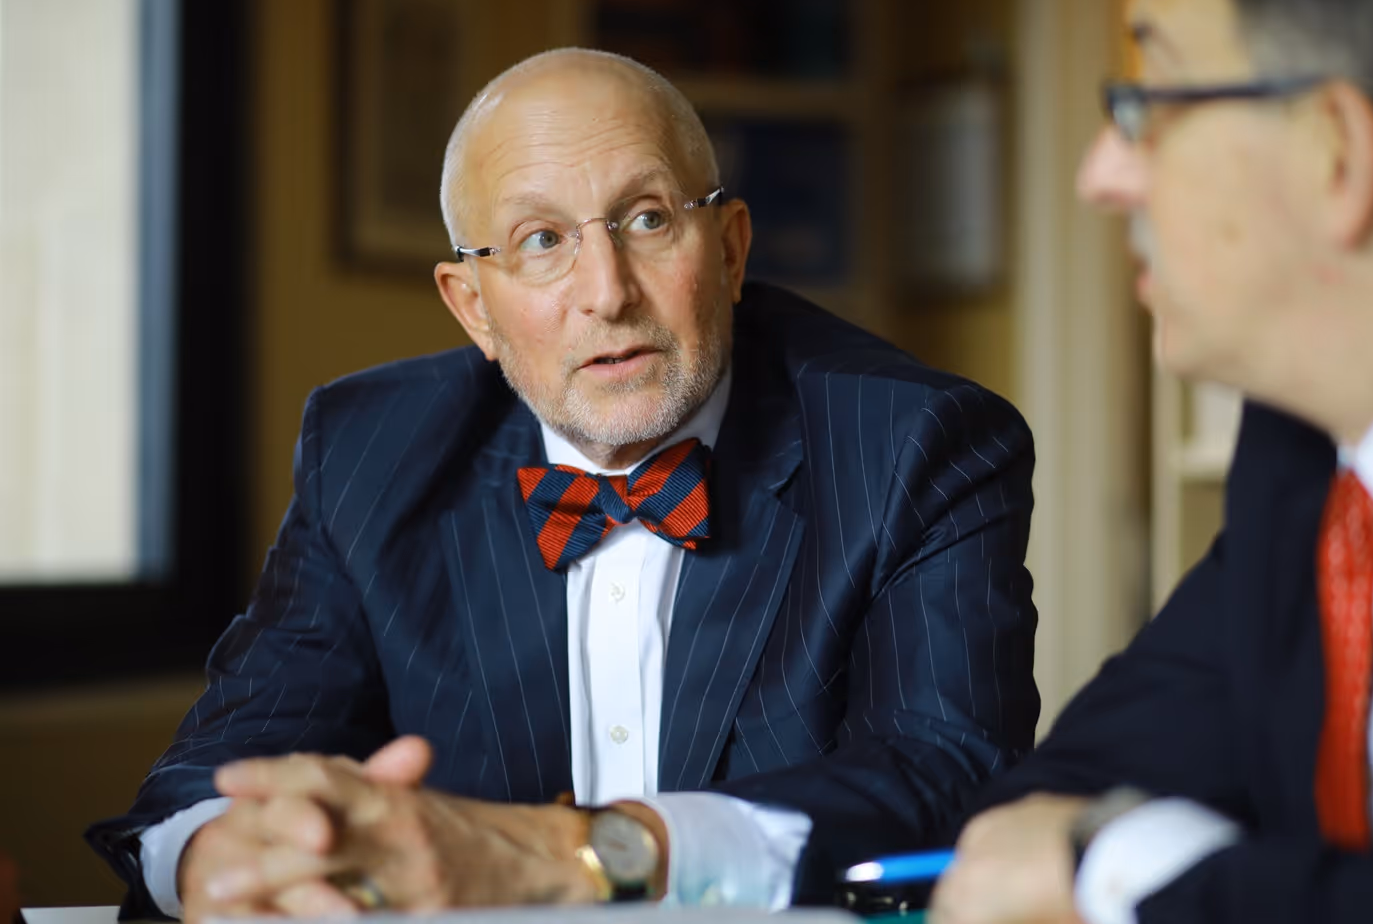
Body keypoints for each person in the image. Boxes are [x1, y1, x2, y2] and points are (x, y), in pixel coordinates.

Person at [87, 48, 1039, 921]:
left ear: (731, 249)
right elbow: (216, 772)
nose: (607, 291)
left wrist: (578, 854)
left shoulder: (915, 444)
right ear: (473, 307)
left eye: (649, 219)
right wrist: (221, 856)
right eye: (540, 239)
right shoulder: (372, 455)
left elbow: (945, 777)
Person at [928, 0, 1373, 922]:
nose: (1098, 175)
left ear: (1336, 152)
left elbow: (1080, 851)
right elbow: (1039, 817)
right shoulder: (1298, 462)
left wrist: (1117, 867)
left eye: (1149, 104)